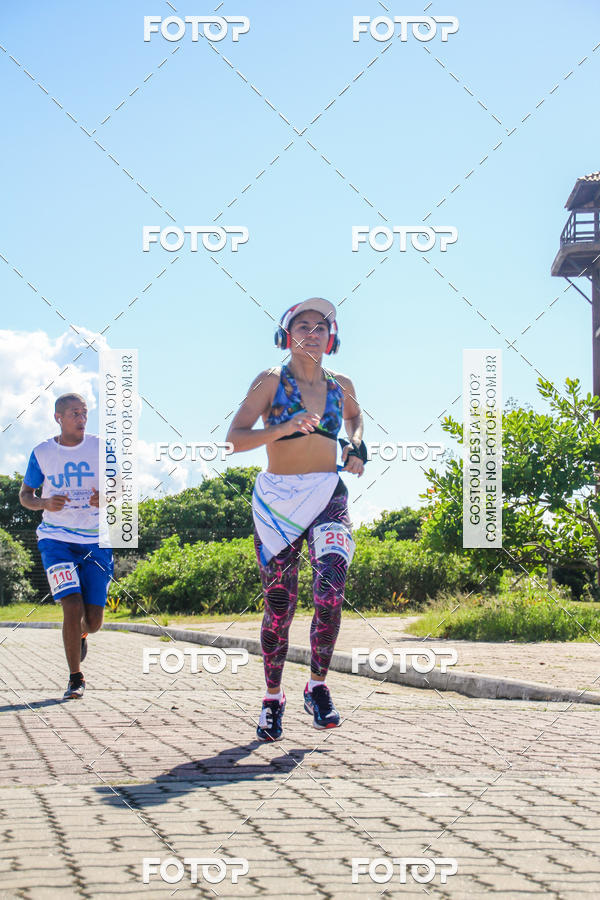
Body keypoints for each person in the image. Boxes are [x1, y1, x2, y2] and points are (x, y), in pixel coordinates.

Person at [226, 298, 367, 741]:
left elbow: (355, 418)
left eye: (321, 326)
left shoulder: (341, 383)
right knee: (280, 606)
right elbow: (235, 438)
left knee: (330, 589)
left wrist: (356, 446)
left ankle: (317, 686)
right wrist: (283, 429)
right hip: (277, 503)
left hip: (328, 493)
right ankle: (273, 697)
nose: (312, 332)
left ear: (332, 337)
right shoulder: (270, 381)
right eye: (303, 325)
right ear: (287, 336)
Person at [19, 393, 114, 700]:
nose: (82, 419)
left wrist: (107, 497)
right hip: (55, 539)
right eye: (75, 413)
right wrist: (45, 502)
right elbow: (25, 495)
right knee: (71, 606)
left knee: (95, 621)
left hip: (95, 541)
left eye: (85, 413)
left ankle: (83, 633)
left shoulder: (101, 448)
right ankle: (76, 678)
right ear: (58, 417)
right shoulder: (43, 452)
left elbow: (121, 485)